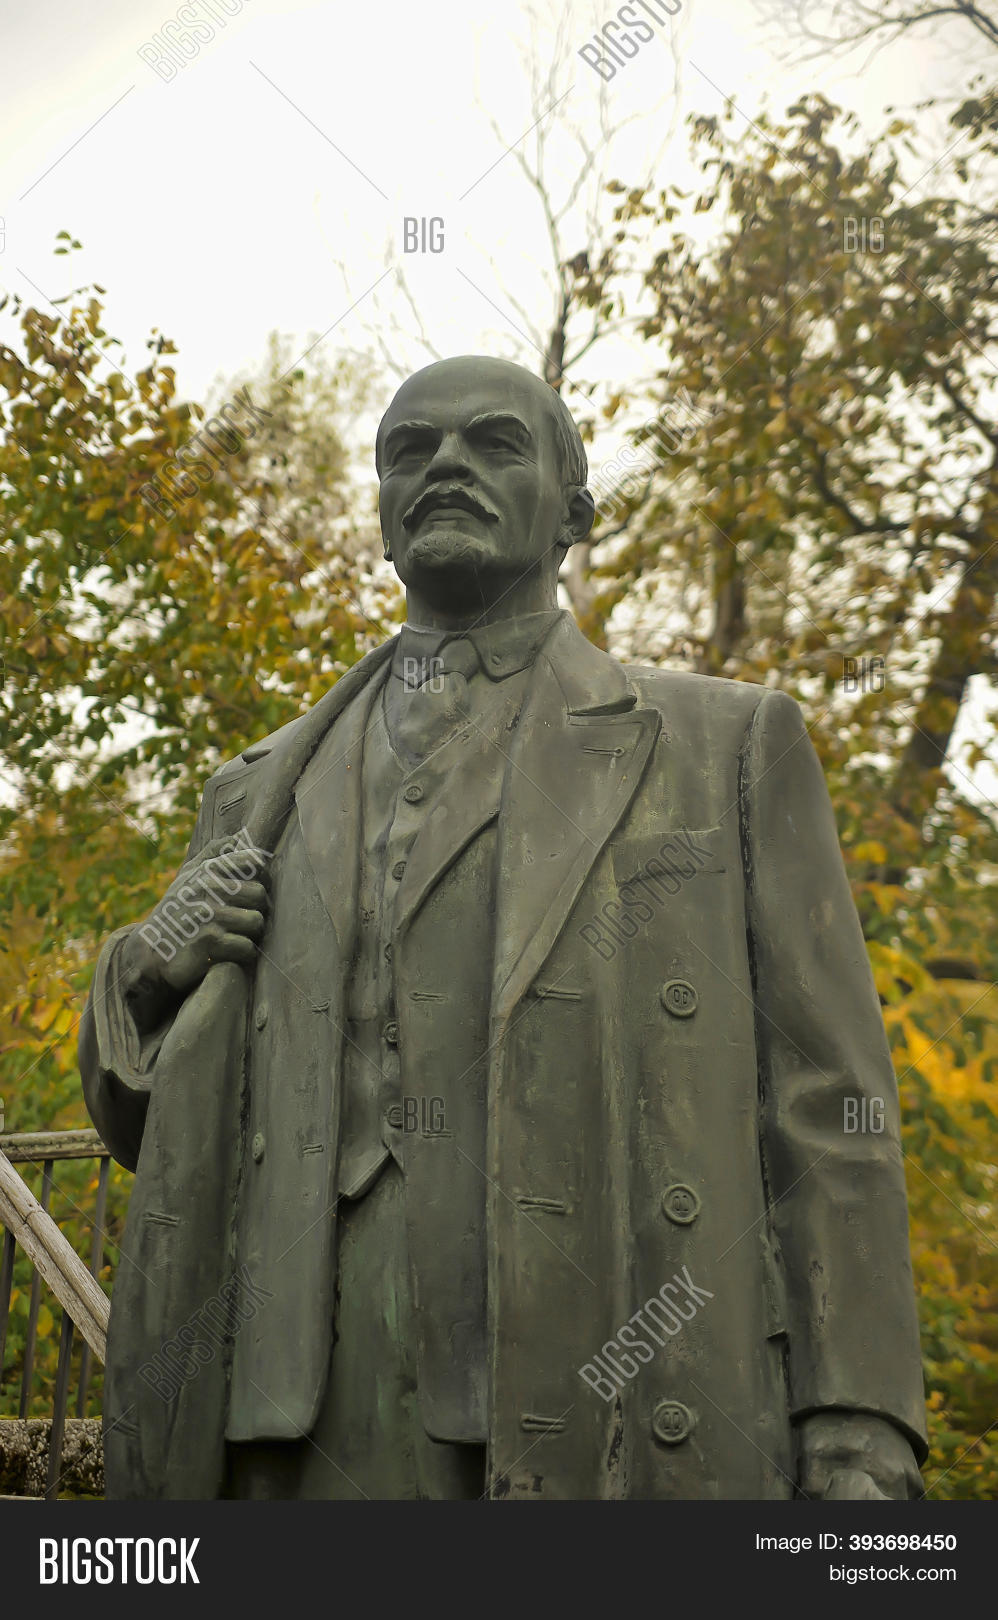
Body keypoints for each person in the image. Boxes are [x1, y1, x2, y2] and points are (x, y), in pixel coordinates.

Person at [80, 355, 927, 1499]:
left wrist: (854, 1418)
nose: (444, 467)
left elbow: (826, 1109)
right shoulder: (255, 791)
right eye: (409, 451)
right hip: (273, 1425)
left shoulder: (725, 746)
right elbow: (156, 1133)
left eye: (492, 442)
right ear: (380, 519)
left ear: (572, 512)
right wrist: (140, 976)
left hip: (605, 1382)